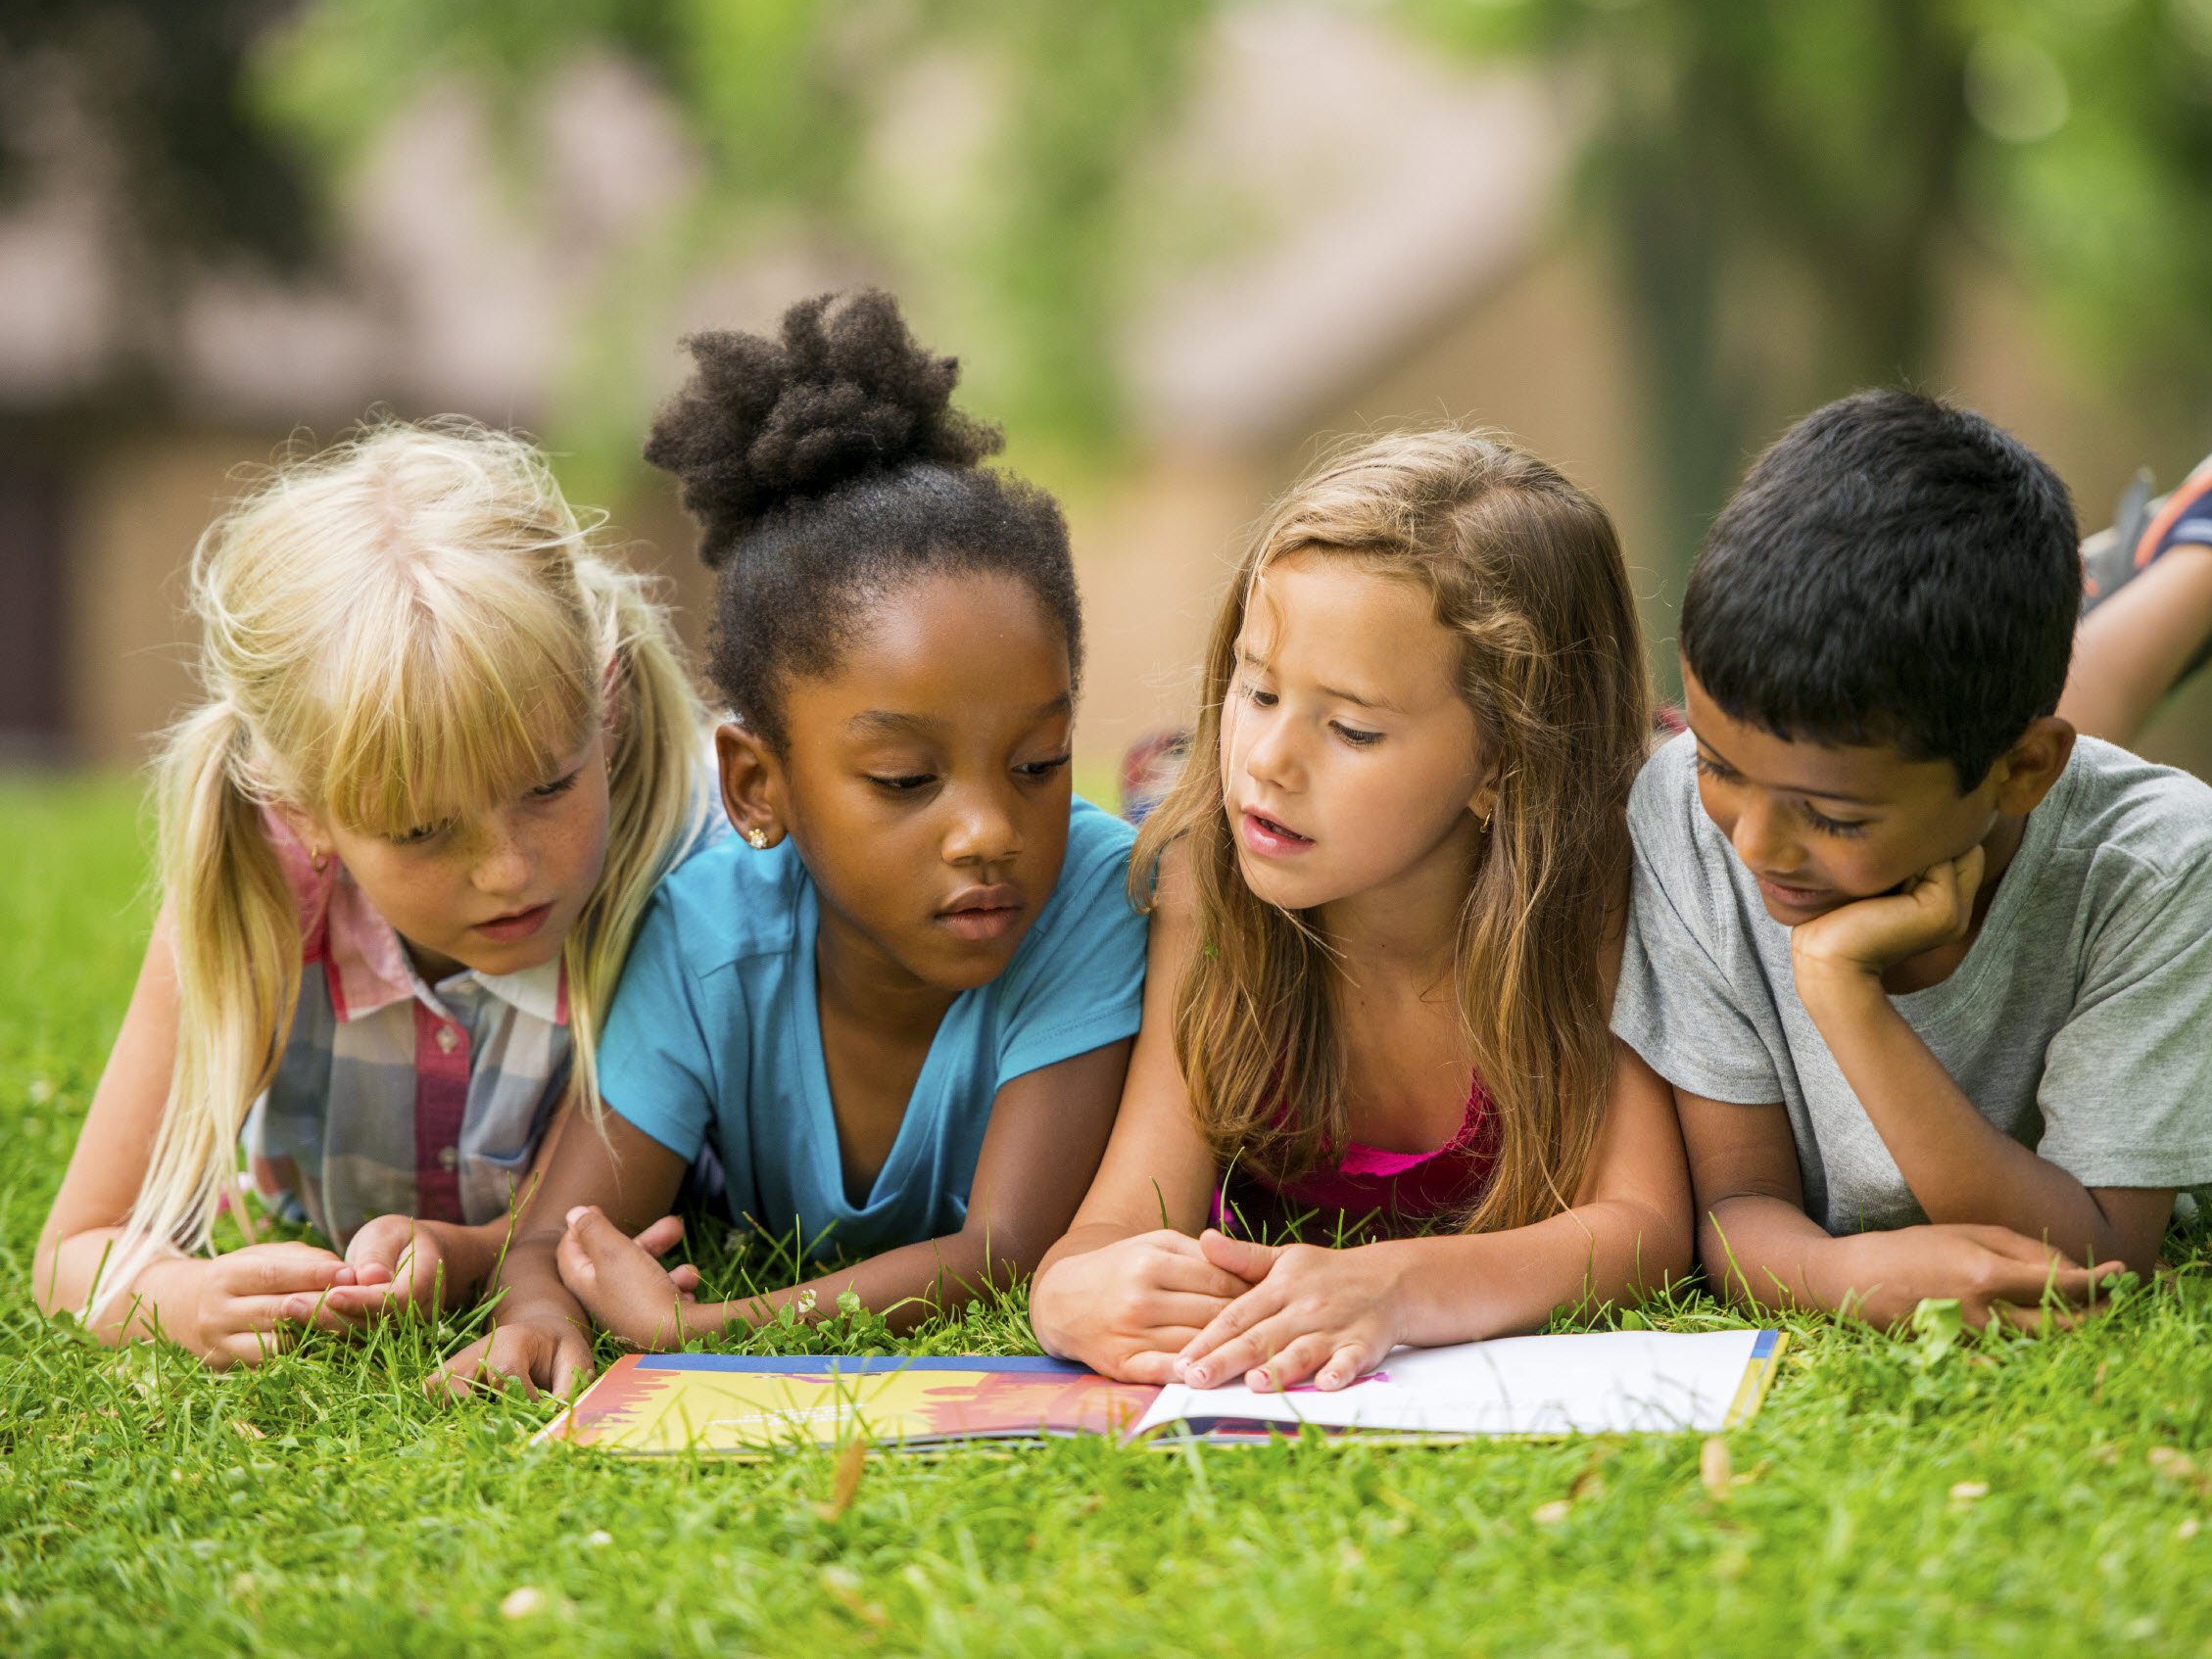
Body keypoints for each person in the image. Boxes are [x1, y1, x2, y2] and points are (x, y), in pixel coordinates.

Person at [443, 291, 1147, 1397]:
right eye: (905, 779)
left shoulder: (1088, 896)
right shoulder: (705, 934)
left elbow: (1009, 1246)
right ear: (757, 784)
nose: (988, 830)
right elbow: (558, 1231)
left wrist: (711, 1323)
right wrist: (535, 1304)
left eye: (1039, 761)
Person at [1619, 393, 2212, 1331]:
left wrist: (1843, 994)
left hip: (2033, 784)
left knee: (2070, 748)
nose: (1755, 844)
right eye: (1717, 762)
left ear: (2024, 767)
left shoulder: (2160, 863)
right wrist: (1853, 1276)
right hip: (1956, 753)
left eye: (1831, 816)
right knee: (2001, 724)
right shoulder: (1686, 818)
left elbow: (2096, 1258)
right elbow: (1734, 1209)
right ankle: (2103, 593)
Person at [33, 424, 714, 1367]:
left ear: (609, 706)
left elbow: (588, 1221)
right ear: (302, 809)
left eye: (549, 786)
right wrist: (186, 1298)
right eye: (423, 831)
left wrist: (467, 1258)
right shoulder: (262, 881)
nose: (511, 869)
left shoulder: (678, 863)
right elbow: (75, 1251)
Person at [1028, 433, 1692, 1393]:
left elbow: (1641, 1227)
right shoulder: (1211, 885)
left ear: (1504, 766)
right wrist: (1070, 1291)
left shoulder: (1591, 894)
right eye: (1255, 690)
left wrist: (1397, 1286)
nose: (1266, 760)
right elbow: (1125, 1212)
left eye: (1350, 727)